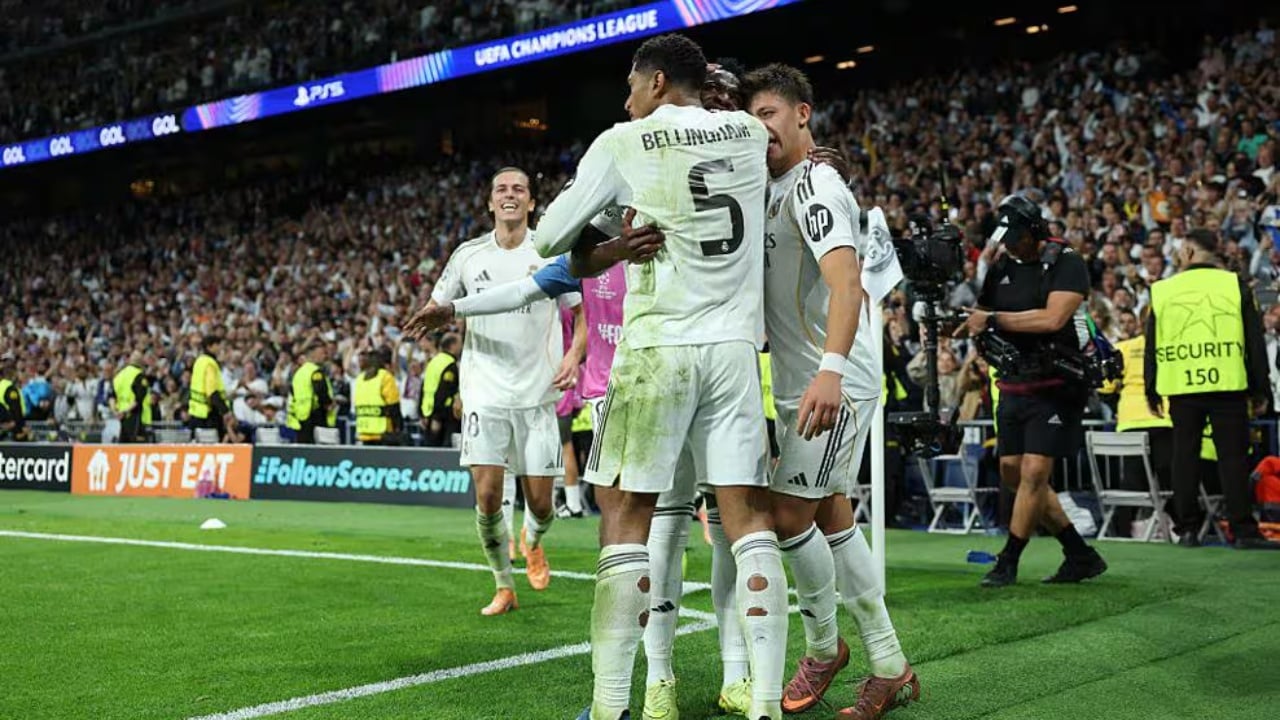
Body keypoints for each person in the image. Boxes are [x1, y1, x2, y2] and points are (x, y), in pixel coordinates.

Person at [530, 33, 786, 720]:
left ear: (657, 83)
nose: (626, 99)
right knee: (748, 522)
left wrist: (616, 240)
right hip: (734, 352)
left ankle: (613, 706)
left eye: (631, 85)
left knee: (626, 517)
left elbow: (550, 237)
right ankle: (764, 704)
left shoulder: (624, 141)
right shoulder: (746, 132)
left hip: (658, 351)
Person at [743, 64, 918, 720]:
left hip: (833, 380)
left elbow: (848, 284)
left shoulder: (816, 184)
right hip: (802, 379)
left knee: (789, 518)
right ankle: (891, 667)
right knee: (831, 515)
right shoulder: (769, 185)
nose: (760, 128)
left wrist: (832, 371)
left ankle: (823, 649)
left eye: (769, 113)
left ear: (802, 114)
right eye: (751, 118)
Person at [404, 166, 580, 617]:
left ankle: (533, 540)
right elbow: (439, 305)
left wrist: (574, 355)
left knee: (542, 505)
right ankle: (504, 585)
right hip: (485, 392)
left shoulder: (550, 251)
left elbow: (581, 314)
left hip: (538, 394)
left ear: (531, 202)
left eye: (519, 188)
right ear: (489, 202)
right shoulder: (468, 255)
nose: (509, 194)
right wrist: (427, 318)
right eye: (501, 189)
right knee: (486, 498)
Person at [954, 194, 1108, 587]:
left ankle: (1008, 561)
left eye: (1017, 239)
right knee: (1013, 473)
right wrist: (959, 325)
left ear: (1035, 231)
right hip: (1014, 381)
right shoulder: (1002, 265)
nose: (1010, 246)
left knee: (1035, 471)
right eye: (1005, 240)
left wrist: (994, 320)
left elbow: (1053, 318)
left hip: (1058, 383)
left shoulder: (1066, 262)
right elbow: (981, 315)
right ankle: (1079, 553)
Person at [1145, 228, 1280, 549]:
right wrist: (1261, 389)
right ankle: (1243, 530)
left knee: (1184, 457)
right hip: (1228, 384)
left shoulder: (1162, 290)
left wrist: (1151, 388)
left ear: (1189, 252)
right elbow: (1254, 342)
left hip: (1181, 385)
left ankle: (1187, 530)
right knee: (1233, 458)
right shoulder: (1235, 285)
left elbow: (1153, 344)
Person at [353, 348, 403, 445]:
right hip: (383, 432)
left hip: (364, 431)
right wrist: (398, 427)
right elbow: (393, 405)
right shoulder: (385, 377)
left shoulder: (360, 378)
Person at [188, 335, 234, 440]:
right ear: (209, 347)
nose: (220, 348)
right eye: (217, 345)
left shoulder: (199, 361)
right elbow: (212, 391)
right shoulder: (210, 364)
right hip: (208, 414)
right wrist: (225, 411)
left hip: (196, 410)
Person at [287, 343, 334, 443]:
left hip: (300, 416)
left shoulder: (298, 373)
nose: (325, 356)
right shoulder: (315, 372)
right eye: (322, 353)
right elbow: (321, 391)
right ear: (313, 355)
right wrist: (328, 403)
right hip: (315, 415)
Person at [420, 333, 461, 447]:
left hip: (428, 411)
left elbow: (424, 387)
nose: (461, 347)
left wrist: (422, 414)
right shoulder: (449, 364)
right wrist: (436, 417)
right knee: (444, 451)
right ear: (452, 346)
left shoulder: (433, 361)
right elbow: (444, 391)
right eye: (459, 344)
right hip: (443, 415)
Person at [113, 352, 153, 443]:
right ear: (141, 361)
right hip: (137, 418)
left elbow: (111, 396)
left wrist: (116, 411)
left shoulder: (119, 376)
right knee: (139, 448)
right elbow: (139, 399)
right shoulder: (139, 376)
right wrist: (126, 411)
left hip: (121, 419)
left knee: (124, 448)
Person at [0, 357, 29, 441]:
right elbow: (15, 409)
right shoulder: (9, 387)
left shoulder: (3, 385)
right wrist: (20, 427)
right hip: (11, 427)